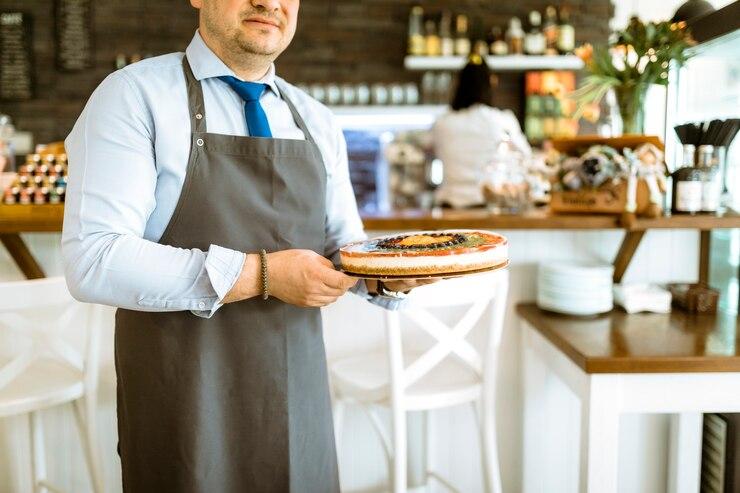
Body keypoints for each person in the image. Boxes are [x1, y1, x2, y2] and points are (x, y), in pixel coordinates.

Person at [61, 1, 432, 491]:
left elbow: (343, 249)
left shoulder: (316, 120)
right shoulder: (133, 97)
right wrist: (263, 275)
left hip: (299, 401)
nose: (269, 2)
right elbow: (94, 258)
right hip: (185, 405)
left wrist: (385, 275)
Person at [432, 55, 532, 208]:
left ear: (459, 84)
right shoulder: (502, 120)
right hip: (491, 207)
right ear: (491, 82)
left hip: (450, 209)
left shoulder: (442, 123)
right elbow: (526, 158)